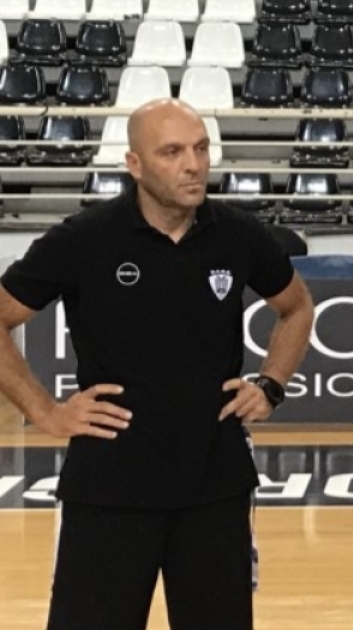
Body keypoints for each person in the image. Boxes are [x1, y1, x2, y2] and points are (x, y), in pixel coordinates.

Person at [0, 99, 315, 630]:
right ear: (135, 164)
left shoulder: (238, 234)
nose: (193, 165)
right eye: (171, 152)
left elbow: (297, 307)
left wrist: (271, 384)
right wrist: (45, 411)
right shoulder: (84, 240)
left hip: (215, 486)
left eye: (200, 148)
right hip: (109, 486)